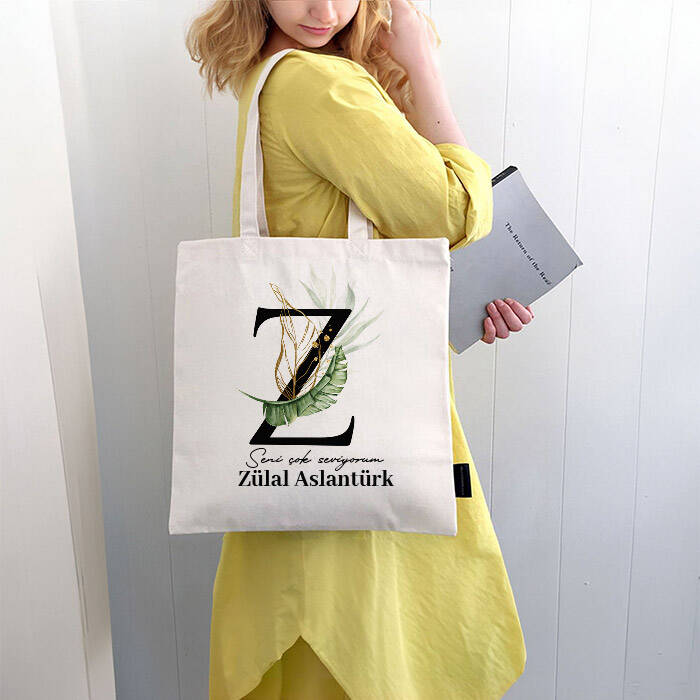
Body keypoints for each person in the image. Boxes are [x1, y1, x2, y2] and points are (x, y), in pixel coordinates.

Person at [186, 1, 531, 697]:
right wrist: (423, 66)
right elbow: (453, 209)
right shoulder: (317, 83)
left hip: (308, 441)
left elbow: (370, 240)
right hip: (357, 453)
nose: (323, 9)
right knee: (359, 648)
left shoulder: (270, 74)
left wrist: (467, 301)